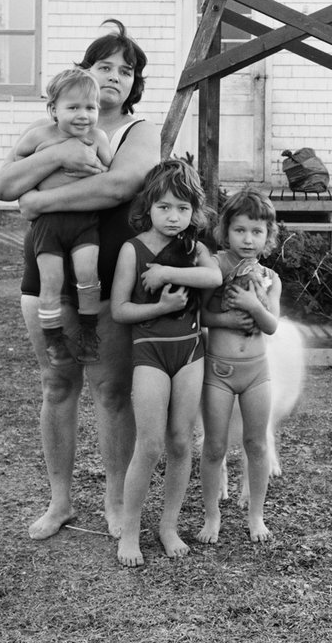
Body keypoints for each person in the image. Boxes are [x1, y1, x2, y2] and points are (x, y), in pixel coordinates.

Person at [0, 20, 159, 540]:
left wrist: (40, 199)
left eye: (125, 71)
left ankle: (115, 501)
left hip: (109, 278)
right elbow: (3, 185)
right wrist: (60, 155)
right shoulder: (50, 130)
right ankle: (59, 501)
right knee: (57, 383)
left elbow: (122, 184)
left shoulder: (138, 130)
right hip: (44, 276)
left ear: (135, 83)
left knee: (111, 390)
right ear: (83, 73)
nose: (113, 78)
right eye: (103, 66)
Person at [110, 159, 222, 567]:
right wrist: (161, 305)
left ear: (195, 212)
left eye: (183, 209)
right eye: (165, 207)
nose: (174, 217)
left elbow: (214, 279)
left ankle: (168, 525)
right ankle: (131, 528)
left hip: (190, 351)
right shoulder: (133, 249)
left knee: (180, 441)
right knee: (151, 443)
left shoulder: (195, 249)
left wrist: (169, 273)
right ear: (149, 207)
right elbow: (120, 310)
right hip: (150, 352)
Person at [8, 68, 112, 364]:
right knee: (51, 282)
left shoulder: (98, 137)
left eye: (90, 108)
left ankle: (88, 334)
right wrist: (46, 164)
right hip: (48, 225)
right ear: (53, 110)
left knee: (88, 277)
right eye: (73, 107)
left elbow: (110, 172)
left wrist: (97, 170)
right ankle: (54, 339)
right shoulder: (39, 136)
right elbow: (18, 159)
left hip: (84, 222)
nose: (83, 115)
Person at [197, 187, 282, 544]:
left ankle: (256, 516)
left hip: (256, 373)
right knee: (215, 446)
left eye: (257, 232)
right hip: (219, 371)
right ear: (226, 231)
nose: (248, 239)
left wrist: (252, 303)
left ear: (268, 236)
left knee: (256, 443)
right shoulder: (214, 267)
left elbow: (271, 325)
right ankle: (211, 515)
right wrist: (229, 321)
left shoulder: (270, 279)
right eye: (240, 230)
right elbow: (200, 313)